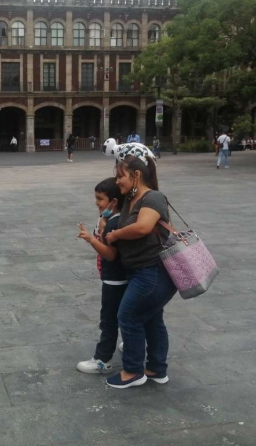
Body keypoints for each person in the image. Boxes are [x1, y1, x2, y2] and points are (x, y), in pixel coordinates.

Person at [104, 155, 177, 389]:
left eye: (120, 176)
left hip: (153, 271)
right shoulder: (129, 200)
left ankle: (133, 371)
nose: (117, 181)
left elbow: (144, 227)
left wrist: (115, 235)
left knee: (128, 316)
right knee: (152, 319)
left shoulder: (153, 197)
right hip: (140, 271)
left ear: (136, 175)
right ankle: (156, 369)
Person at [76, 178, 127, 374]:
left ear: (113, 202)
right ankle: (130, 344)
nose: (96, 202)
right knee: (121, 316)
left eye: (100, 199)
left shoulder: (115, 222)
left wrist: (91, 239)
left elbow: (110, 254)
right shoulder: (111, 218)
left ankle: (102, 359)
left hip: (114, 279)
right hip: (117, 278)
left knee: (108, 319)